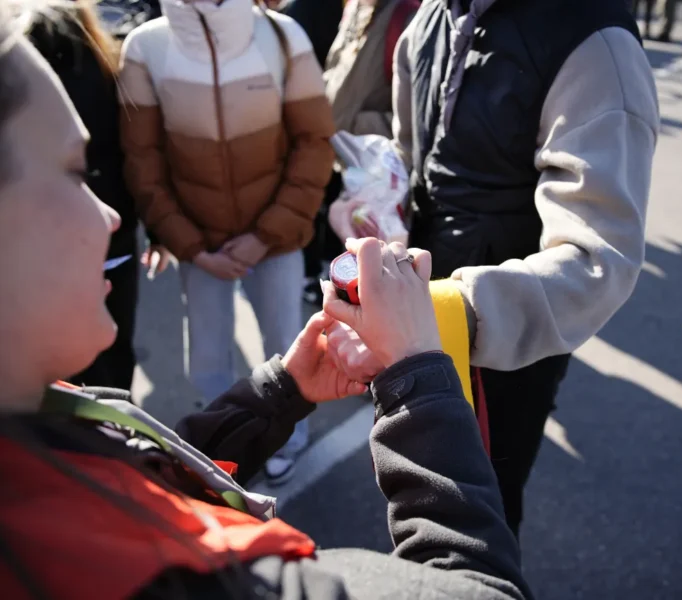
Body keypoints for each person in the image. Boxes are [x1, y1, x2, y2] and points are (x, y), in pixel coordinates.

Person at [0, 13, 533, 594]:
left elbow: (143, 468)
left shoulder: (41, 424)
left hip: (271, 242)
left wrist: (280, 391)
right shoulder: (174, 575)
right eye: (76, 172)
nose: (108, 214)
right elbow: (484, 590)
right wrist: (417, 372)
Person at [324, 0, 660, 537]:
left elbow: (598, 259)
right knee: (418, 498)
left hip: (506, 343)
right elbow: (412, 163)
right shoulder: (429, 19)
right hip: (422, 313)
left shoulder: (593, 39)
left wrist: (456, 313)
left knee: (480, 517)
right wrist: (372, 208)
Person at [118, 0, 335, 484]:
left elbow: (314, 143)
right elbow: (143, 161)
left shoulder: (283, 36)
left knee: (289, 347)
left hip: (275, 241)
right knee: (208, 359)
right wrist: (191, 247)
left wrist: (265, 235)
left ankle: (288, 438)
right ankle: (222, 448)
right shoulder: (145, 47)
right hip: (201, 248)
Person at [25, 3, 170, 391]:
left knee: (59, 364)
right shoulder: (111, 61)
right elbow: (140, 155)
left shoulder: (20, 76)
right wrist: (158, 230)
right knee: (114, 351)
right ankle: (116, 418)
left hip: (49, 248)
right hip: (113, 240)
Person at [302, 0, 419, 305]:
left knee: (382, 276)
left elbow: (418, 118)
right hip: (348, 163)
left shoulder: (408, 14)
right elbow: (335, 74)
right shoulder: (356, 7)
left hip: (384, 172)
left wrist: (353, 126)